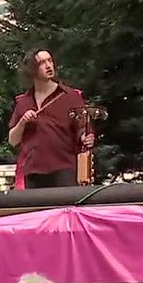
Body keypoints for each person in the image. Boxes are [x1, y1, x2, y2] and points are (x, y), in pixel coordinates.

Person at [7, 49, 95, 189]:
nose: (48, 65)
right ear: (32, 70)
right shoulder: (23, 102)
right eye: (42, 63)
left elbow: (83, 130)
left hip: (64, 169)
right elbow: (13, 140)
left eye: (50, 61)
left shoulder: (70, 96)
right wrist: (23, 122)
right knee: (39, 211)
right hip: (33, 171)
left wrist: (86, 137)